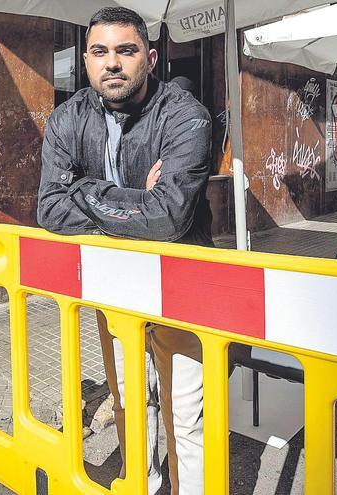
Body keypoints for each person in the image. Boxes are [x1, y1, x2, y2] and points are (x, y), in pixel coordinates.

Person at [37, 7, 213, 494]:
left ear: (149, 58)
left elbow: (171, 217)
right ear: (87, 60)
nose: (112, 63)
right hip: (113, 286)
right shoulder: (67, 120)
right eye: (100, 52)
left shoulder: (186, 116)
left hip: (182, 284)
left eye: (126, 50)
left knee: (185, 416)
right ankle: (145, 483)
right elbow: (49, 208)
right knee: (130, 403)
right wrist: (138, 197)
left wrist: (84, 191)